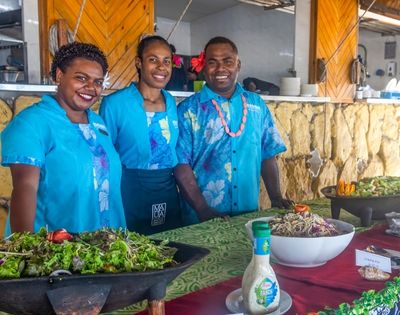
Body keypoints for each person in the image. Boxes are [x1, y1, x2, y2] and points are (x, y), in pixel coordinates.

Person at [1, 42, 126, 235]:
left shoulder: (98, 123)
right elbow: (25, 187)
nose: (91, 87)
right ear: (59, 76)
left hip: (107, 247)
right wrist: (26, 251)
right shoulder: (32, 123)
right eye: (81, 78)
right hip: (57, 251)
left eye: (98, 82)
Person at [174, 36, 292, 225]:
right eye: (213, 62)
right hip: (201, 220)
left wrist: (276, 197)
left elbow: (267, 154)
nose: (220, 69)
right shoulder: (188, 110)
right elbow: (181, 166)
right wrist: (203, 209)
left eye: (227, 61)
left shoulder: (257, 106)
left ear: (238, 65)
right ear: (204, 67)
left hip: (248, 215)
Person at [100, 35, 181, 235]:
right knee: (133, 249)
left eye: (166, 61)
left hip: (167, 189)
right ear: (139, 62)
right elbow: (104, 156)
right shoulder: (115, 104)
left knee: (170, 245)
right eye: (153, 59)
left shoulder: (172, 102)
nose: (161, 67)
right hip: (130, 190)